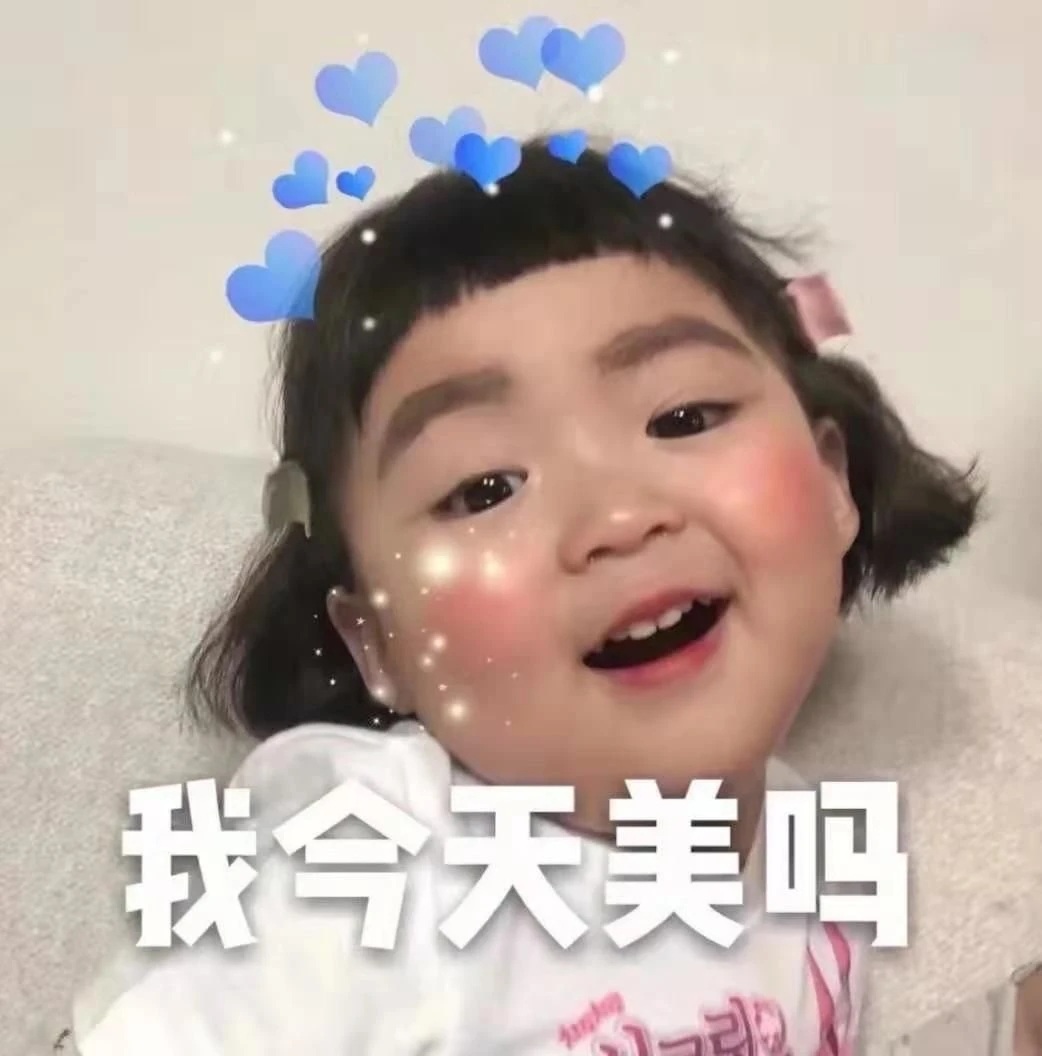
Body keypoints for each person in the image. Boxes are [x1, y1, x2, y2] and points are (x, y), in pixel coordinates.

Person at [71, 137, 984, 1055]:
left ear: (831, 482)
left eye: (682, 417)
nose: (618, 517)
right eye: (484, 490)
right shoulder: (373, 863)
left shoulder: (815, 868)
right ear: (378, 641)